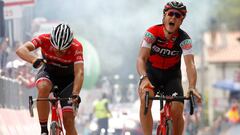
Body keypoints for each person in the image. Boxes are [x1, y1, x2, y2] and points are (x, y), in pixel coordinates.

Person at [136, 1, 202, 135]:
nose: (173, 18)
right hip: (151, 74)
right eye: (170, 14)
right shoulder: (151, 33)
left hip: (172, 77)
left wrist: (192, 86)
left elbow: (190, 64)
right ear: (164, 16)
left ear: (181, 21)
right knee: (146, 98)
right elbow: (141, 58)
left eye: (177, 16)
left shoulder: (185, 39)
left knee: (177, 108)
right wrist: (143, 78)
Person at [16, 23, 84, 135]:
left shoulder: (77, 47)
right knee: (43, 87)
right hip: (48, 73)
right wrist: (34, 60)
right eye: (56, 48)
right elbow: (21, 50)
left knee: (69, 121)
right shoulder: (44, 39)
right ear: (51, 40)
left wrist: (75, 94)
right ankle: (43, 130)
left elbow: (79, 72)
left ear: (70, 44)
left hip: (68, 81)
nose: (58, 52)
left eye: (63, 50)